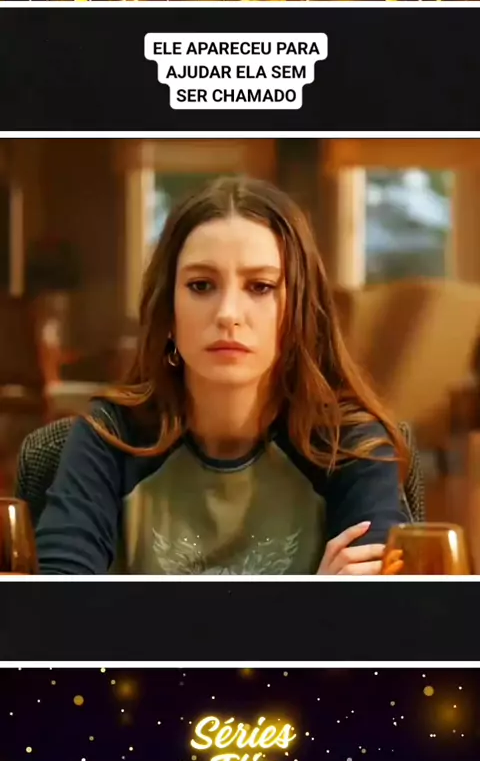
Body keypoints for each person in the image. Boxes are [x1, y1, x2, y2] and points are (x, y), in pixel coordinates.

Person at [35, 175, 410, 575]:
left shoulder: (350, 445)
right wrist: (313, 601)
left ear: (299, 310)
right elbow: (57, 606)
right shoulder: (109, 439)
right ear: (168, 310)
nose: (228, 313)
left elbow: (386, 608)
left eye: (260, 286)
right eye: (201, 285)